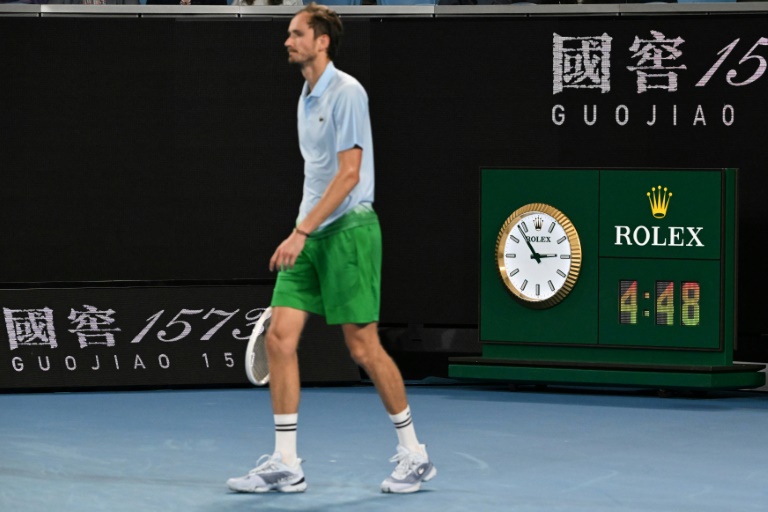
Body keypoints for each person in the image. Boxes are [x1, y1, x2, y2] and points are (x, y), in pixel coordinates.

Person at [226, 2, 436, 495]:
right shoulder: (305, 96)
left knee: (362, 347)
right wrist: (302, 229)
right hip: (310, 232)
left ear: (321, 41)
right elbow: (317, 174)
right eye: (288, 34)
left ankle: (414, 454)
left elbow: (348, 175)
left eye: (296, 33)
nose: (287, 40)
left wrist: (301, 232)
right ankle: (285, 463)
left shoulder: (347, 93)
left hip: (349, 231)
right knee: (280, 338)